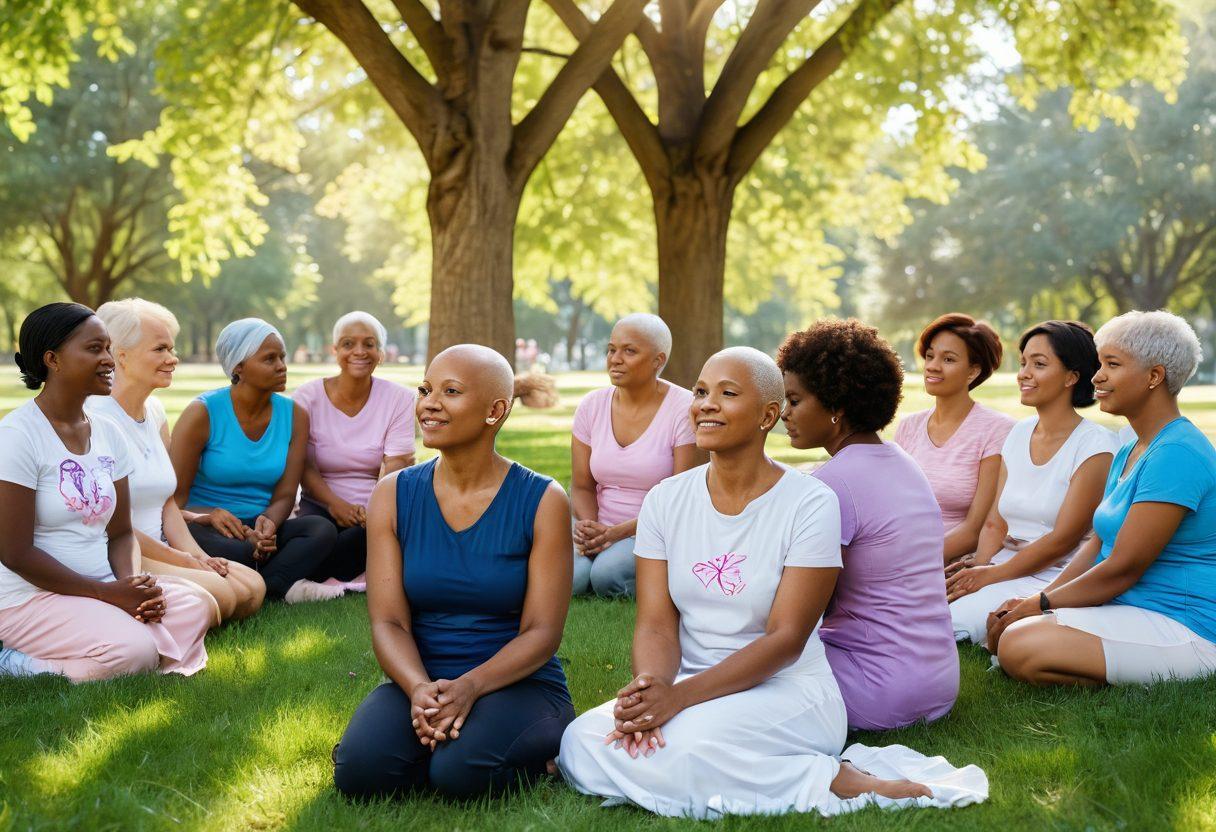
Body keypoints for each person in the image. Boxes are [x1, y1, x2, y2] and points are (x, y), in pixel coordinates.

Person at [558, 347, 986, 819]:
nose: (705, 403)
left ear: (768, 414)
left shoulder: (811, 502)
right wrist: (650, 689)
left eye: (727, 393)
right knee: (578, 741)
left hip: (788, 688)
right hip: (689, 680)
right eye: (700, 392)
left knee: (686, 745)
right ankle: (700, 772)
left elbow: (786, 640)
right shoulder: (665, 500)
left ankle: (829, 778)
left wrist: (677, 700)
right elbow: (657, 623)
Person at [333, 345, 574, 800]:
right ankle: (429, 740)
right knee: (360, 775)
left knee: (460, 776)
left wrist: (470, 686)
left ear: (495, 410)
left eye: (451, 391)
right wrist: (419, 688)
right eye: (425, 389)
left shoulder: (543, 499)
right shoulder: (392, 494)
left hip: (517, 682)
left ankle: (545, 751)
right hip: (420, 678)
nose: (429, 402)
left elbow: (542, 633)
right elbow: (389, 621)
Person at [990, 311, 1216, 685]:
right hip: (1132, 607)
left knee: (1019, 644)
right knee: (1012, 630)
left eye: (1112, 364)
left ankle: (1159, 673)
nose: (1097, 376)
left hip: (1185, 625)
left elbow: (1124, 566)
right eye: (1100, 363)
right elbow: (1097, 543)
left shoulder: (1177, 453)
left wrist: (1040, 605)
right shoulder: (1131, 448)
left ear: (1154, 377)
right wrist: (1043, 595)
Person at [0, 303, 210, 682]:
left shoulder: (107, 432)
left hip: (104, 584)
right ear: (53, 360)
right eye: (94, 349)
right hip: (29, 597)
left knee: (197, 605)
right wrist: (108, 595)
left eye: (108, 348)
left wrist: (132, 585)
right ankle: (15, 663)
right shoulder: (18, 435)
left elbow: (122, 532)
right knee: (133, 651)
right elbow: (15, 553)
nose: (109, 360)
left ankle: (127, 643)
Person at [777, 320, 958, 730]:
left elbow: (800, 614)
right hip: (938, 682)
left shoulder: (833, 484)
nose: (784, 414)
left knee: (739, 665)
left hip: (880, 689)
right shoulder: (901, 462)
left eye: (794, 400)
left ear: (836, 406)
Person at [88, 299, 265, 624]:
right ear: (121, 355)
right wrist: (184, 560)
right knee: (224, 595)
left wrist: (198, 557)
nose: (173, 359)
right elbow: (111, 524)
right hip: (123, 553)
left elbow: (167, 502)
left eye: (172, 348)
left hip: (164, 544)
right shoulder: (95, 419)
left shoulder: (154, 412)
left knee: (253, 587)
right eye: (160, 349)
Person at [946, 321, 1119, 645]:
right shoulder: (1019, 432)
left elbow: (1062, 540)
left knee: (948, 624)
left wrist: (989, 577)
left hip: (1053, 574)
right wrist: (978, 568)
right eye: (1024, 362)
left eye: (1039, 364)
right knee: (919, 603)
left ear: (1072, 376)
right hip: (1002, 564)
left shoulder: (1096, 447)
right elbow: (995, 523)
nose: (1024, 373)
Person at [170, 319, 338, 604]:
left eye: (282, 357)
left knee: (321, 531)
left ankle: (263, 588)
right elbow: (174, 501)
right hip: (208, 525)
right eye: (269, 359)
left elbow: (286, 494)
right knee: (237, 552)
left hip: (260, 526)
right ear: (238, 367)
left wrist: (269, 525)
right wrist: (208, 517)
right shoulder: (202, 413)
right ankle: (275, 581)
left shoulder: (295, 415)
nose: (282, 365)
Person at [570, 314, 699, 597]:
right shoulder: (592, 405)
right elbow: (581, 484)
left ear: (658, 360)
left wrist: (615, 534)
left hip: (653, 528)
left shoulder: (683, 409)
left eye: (629, 351)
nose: (615, 359)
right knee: (572, 580)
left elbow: (679, 498)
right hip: (598, 523)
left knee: (606, 576)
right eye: (611, 349)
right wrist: (591, 528)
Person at [294, 312, 416, 592]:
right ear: (335, 351)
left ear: (381, 353)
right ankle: (354, 570)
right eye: (348, 344)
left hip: (375, 509)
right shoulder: (307, 397)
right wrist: (335, 505)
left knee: (367, 537)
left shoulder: (399, 399)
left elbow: (397, 465)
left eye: (369, 344)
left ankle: (325, 576)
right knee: (318, 535)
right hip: (320, 506)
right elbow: (304, 466)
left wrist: (375, 512)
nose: (359, 352)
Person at [894, 314, 1015, 564]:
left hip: (948, 563)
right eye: (930, 356)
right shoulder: (908, 427)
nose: (933, 366)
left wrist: (906, 564)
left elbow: (975, 529)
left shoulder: (997, 430)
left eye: (948, 359)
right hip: (898, 553)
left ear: (973, 371)